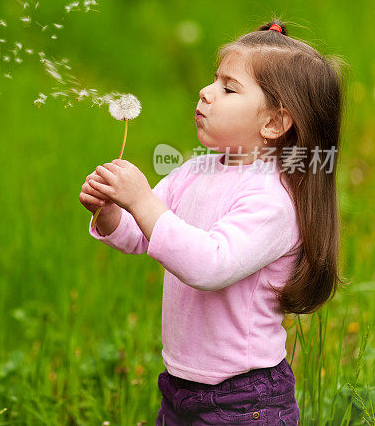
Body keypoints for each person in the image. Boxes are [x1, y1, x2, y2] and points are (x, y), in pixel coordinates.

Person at [80, 21, 343, 424]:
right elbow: (143, 234)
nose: (206, 92)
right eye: (213, 80)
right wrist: (114, 210)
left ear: (273, 123)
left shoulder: (272, 200)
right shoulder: (196, 171)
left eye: (228, 88)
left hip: (246, 398)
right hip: (181, 385)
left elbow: (209, 265)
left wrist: (142, 200)